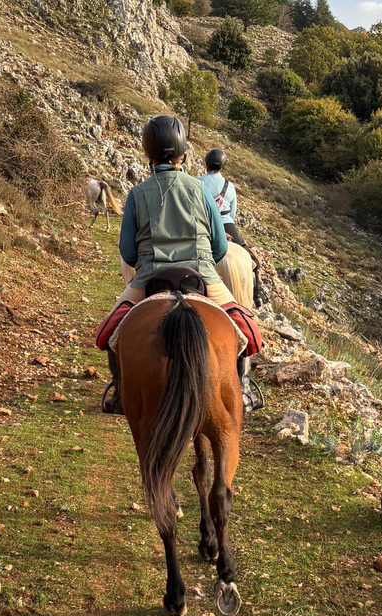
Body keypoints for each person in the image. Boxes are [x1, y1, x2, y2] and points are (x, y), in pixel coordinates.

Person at [95, 115, 263, 415]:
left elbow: (127, 252)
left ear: (148, 154)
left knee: (111, 333)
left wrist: (147, 260)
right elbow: (221, 248)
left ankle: (120, 392)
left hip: (149, 276)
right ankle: (243, 389)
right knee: (244, 329)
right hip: (202, 276)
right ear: (184, 154)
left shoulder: (136, 194)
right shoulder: (200, 190)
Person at [198, 148, 267, 307]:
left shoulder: (197, 181)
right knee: (252, 259)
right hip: (227, 225)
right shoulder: (229, 186)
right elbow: (233, 214)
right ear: (222, 167)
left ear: (206, 164)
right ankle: (256, 297)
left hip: (204, 223)